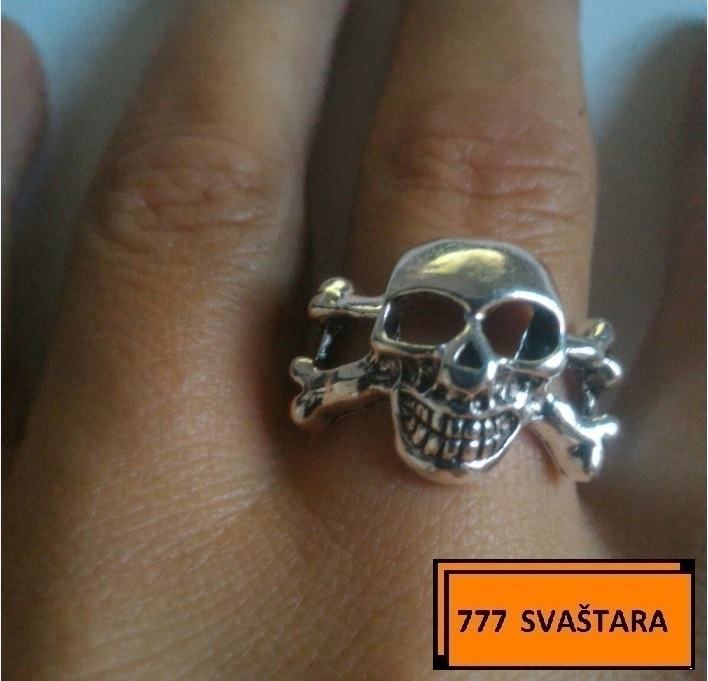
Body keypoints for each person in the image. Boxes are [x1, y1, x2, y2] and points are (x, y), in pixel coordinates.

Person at [3, 2, 705, 678]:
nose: (465, 375)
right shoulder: (654, 621)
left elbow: (471, 621)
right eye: (423, 323)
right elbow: (571, 621)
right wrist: (622, 621)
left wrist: (502, 620)